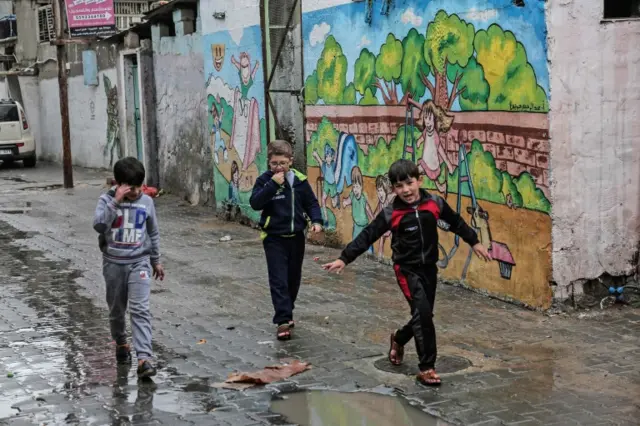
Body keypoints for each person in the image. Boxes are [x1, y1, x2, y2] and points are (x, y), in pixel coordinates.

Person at [323, 159, 492, 386]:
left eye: (409, 183)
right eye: (399, 186)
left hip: (429, 268)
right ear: (393, 188)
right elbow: (368, 235)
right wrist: (344, 258)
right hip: (406, 269)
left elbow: (456, 222)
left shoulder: (434, 203)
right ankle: (427, 368)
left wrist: (475, 242)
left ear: (419, 181)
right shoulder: (391, 213)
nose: (406, 190)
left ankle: (399, 338)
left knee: (424, 315)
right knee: (423, 315)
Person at [93, 157, 165, 378]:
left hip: (138, 262)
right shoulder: (106, 200)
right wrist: (116, 202)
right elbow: (99, 225)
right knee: (116, 310)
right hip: (114, 263)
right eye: (130, 188)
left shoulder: (147, 202)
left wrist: (156, 260)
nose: (135, 192)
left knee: (140, 309)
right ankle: (121, 342)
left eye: (138, 187)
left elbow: (152, 232)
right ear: (118, 184)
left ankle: (144, 358)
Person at [250, 140, 323, 341]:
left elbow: (311, 203)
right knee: (278, 279)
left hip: (296, 237)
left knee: (293, 278)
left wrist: (316, 221)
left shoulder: (299, 180)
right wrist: (273, 185)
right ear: (269, 163)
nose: (279, 167)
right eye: (274, 163)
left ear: (291, 161)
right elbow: (255, 203)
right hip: (273, 237)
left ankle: (287, 310)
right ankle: (282, 320)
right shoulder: (265, 180)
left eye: (282, 163)